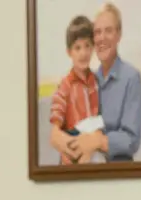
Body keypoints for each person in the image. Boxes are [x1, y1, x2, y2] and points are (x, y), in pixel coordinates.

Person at [60, 2, 141, 163]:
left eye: (108, 31)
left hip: (119, 176)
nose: (101, 38)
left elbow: (131, 140)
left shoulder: (131, 77)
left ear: (119, 35)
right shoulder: (89, 81)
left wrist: (98, 141)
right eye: (97, 32)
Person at [48, 15, 102, 165]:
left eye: (87, 46)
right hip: (71, 152)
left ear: (93, 48)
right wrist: (72, 146)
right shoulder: (65, 86)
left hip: (93, 150)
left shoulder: (97, 83)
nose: (83, 53)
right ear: (69, 52)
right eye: (77, 48)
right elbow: (55, 131)